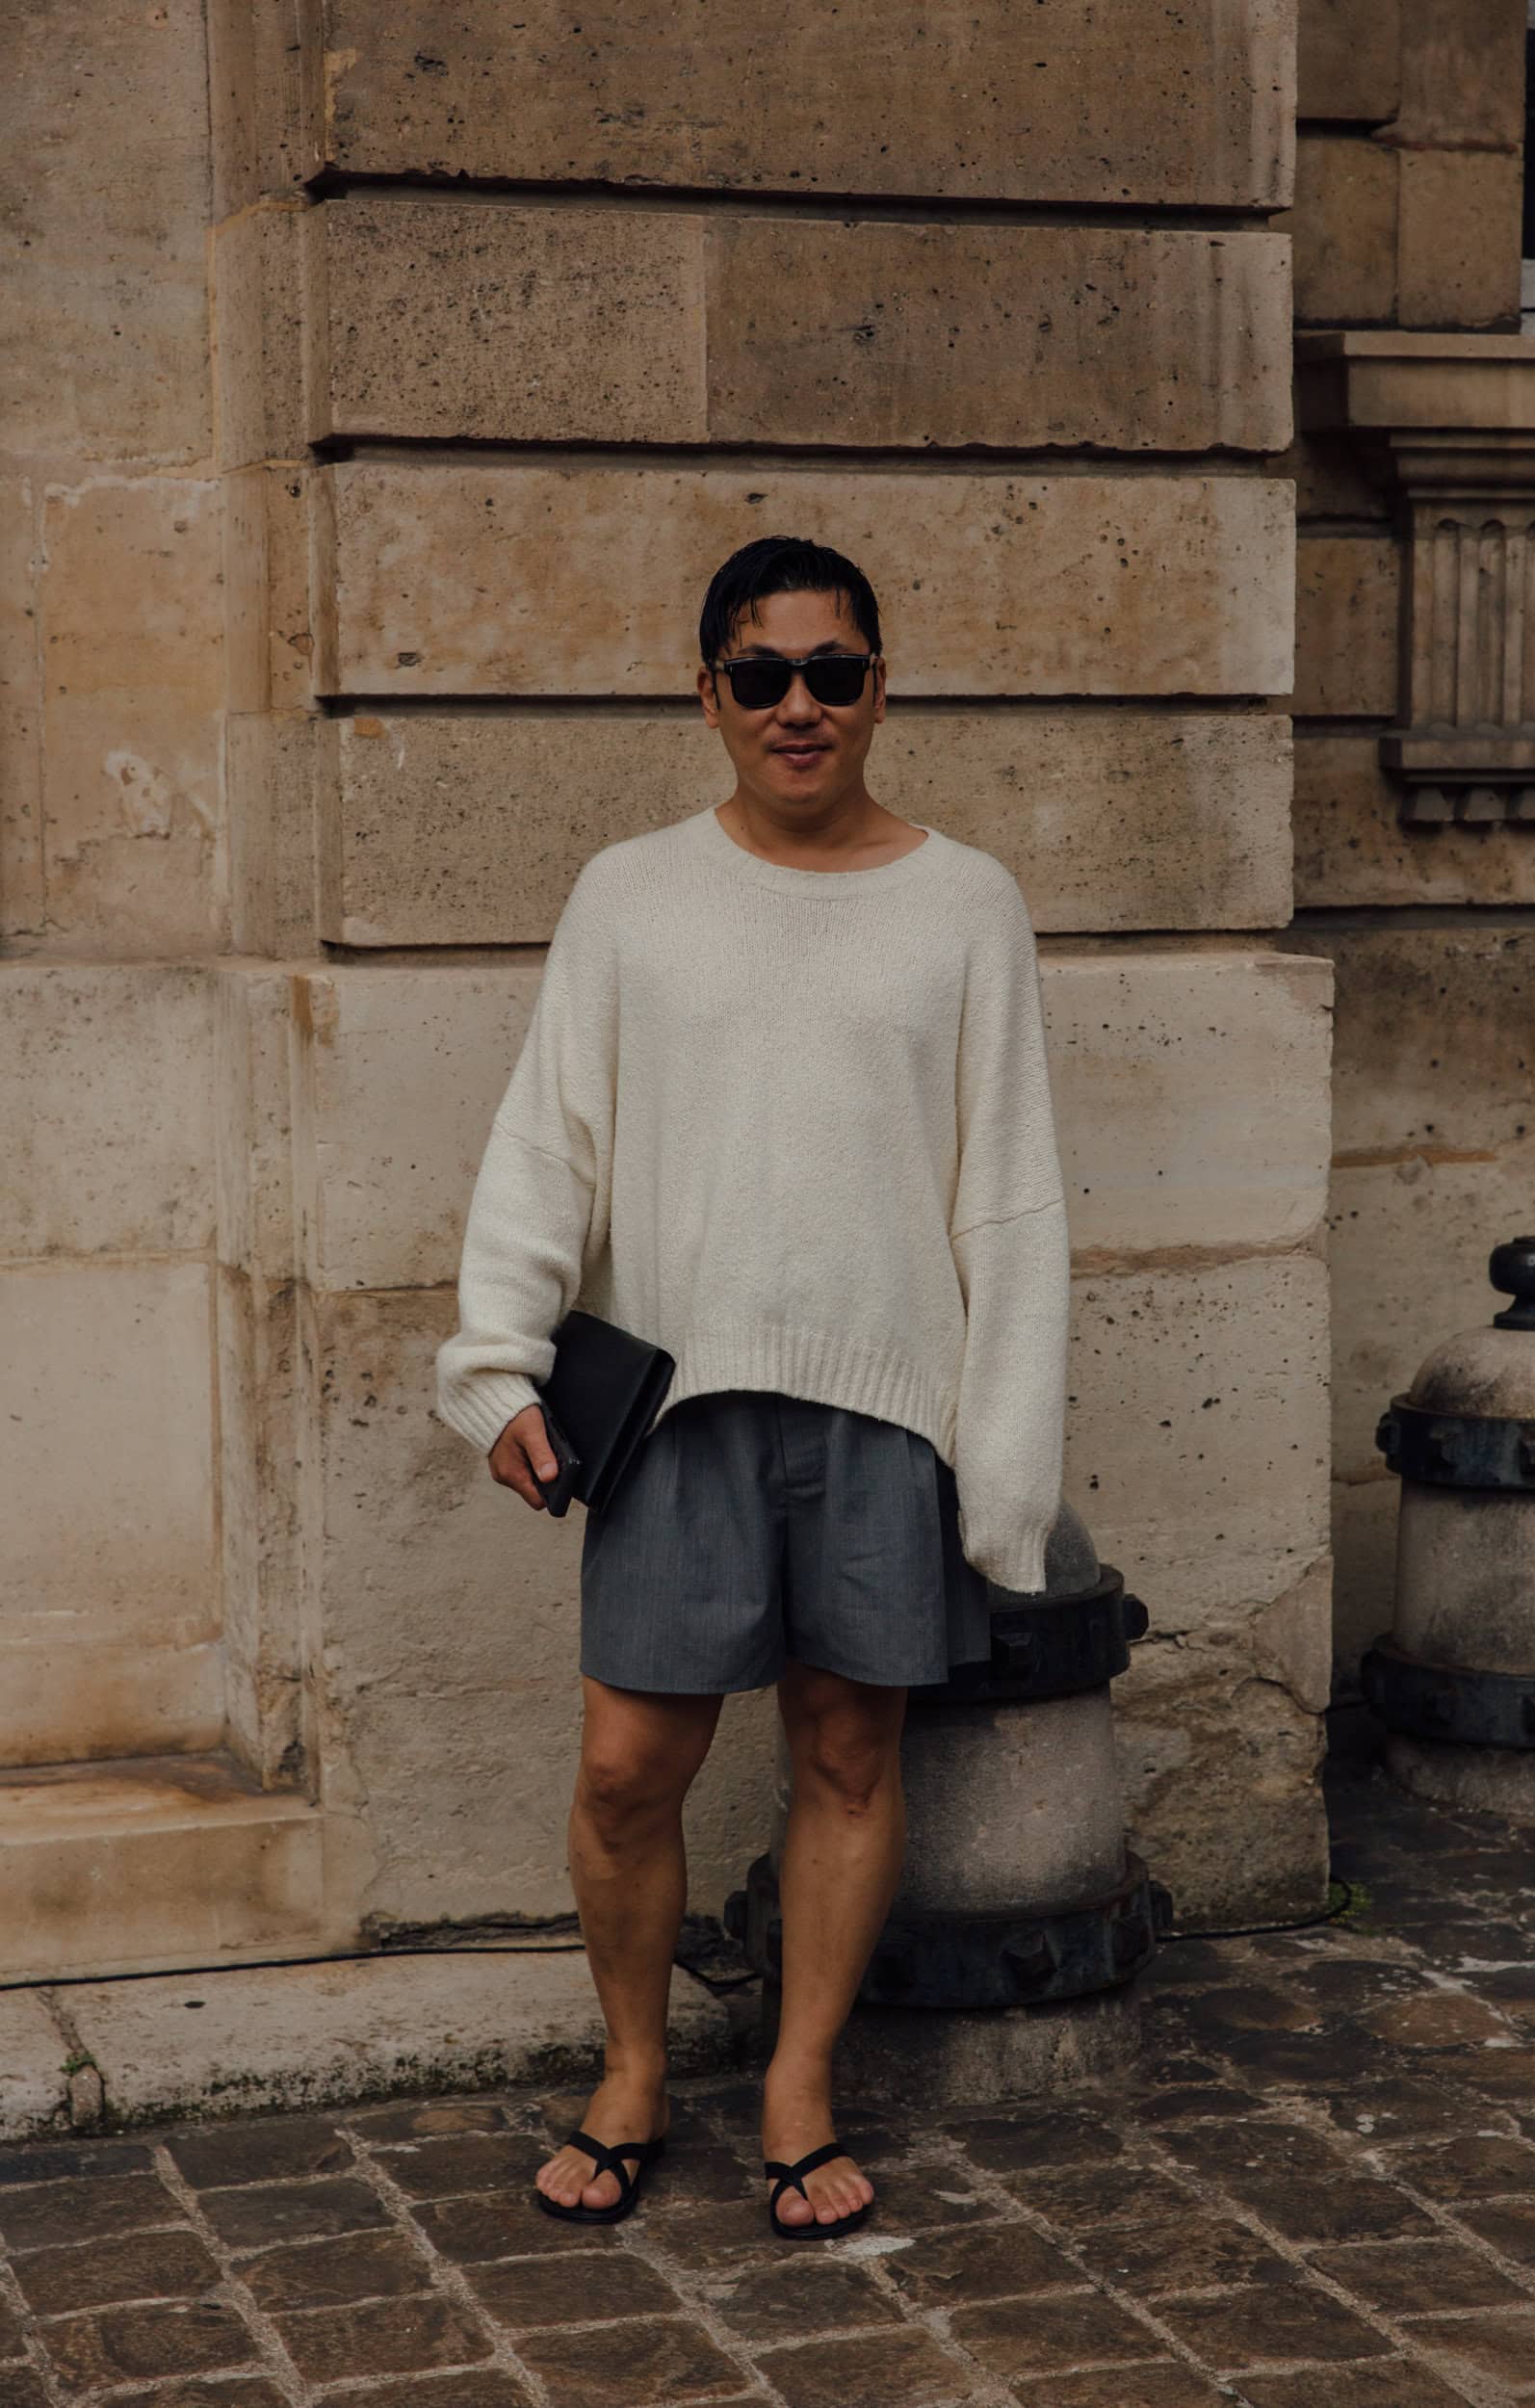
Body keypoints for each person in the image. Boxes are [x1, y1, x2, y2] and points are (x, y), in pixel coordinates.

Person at [434, 535, 1071, 2236]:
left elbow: (1008, 1195)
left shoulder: (967, 903)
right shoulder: (630, 894)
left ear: (881, 688)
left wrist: (1003, 1461)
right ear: (708, 693)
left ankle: (799, 2083)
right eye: (765, 674)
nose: (802, 706)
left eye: (833, 672)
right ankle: (634, 2070)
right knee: (627, 1769)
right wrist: (493, 1363)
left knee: (850, 1757)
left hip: (885, 1408)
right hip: (677, 1408)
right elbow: (547, 1144)